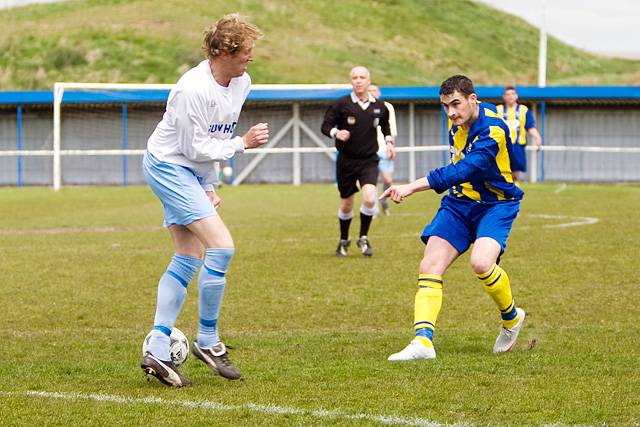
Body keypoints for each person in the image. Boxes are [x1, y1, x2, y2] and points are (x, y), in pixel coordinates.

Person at [140, 14, 268, 387]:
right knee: (222, 247)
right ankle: (208, 341)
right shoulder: (190, 89)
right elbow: (194, 146)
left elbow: (216, 136)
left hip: (192, 170)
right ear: (224, 52)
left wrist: (209, 185)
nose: (251, 57)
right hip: (168, 166)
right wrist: (242, 144)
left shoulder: (241, 82)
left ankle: (159, 347)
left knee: (188, 255)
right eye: (246, 51)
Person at [382, 75, 526, 361]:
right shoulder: (457, 123)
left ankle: (511, 318)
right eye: (445, 106)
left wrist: (411, 186)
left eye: (456, 104)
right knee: (430, 265)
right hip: (459, 204)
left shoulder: (494, 130)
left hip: (496, 205)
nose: (451, 112)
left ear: (473, 99)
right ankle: (423, 342)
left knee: (482, 263)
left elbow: (461, 171)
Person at [321, 67, 395, 257]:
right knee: (347, 204)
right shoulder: (341, 104)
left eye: (362, 77)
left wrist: (389, 143)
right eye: (355, 77)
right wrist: (336, 133)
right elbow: (325, 126)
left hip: (369, 160)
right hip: (346, 161)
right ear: (351, 81)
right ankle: (344, 240)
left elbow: (385, 126)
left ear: (369, 81)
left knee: (370, 198)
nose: (358, 80)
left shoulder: (379, 106)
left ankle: (363, 236)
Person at [496, 86, 542, 182]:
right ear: (503, 97)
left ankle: (512, 185)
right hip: (501, 145)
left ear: (517, 96)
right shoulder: (498, 110)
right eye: (508, 94)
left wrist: (537, 138)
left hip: (518, 145)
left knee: (516, 169)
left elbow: (530, 127)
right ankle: (504, 187)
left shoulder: (523, 110)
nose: (510, 96)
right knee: (500, 168)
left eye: (512, 94)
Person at [368, 83, 398, 216]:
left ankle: (384, 200)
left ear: (379, 92)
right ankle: (373, 209)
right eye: (369, 90)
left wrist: (392, 146)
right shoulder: (363, 107)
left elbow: (392, 130)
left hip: (384, 148)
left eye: (374, 90)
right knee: (371, 181)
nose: (372, 92)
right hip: (369, 151)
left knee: (388, 180)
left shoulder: (387, 107)